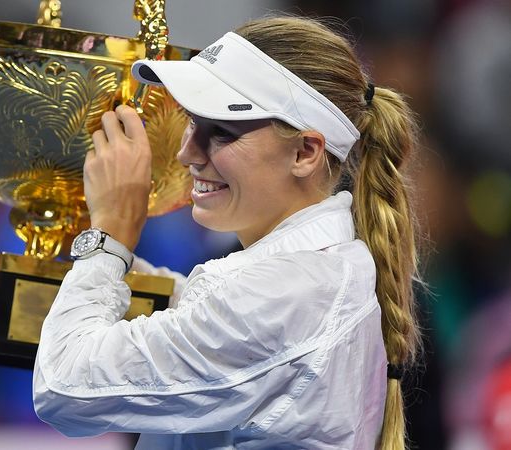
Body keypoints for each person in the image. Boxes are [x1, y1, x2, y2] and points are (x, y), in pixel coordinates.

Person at [32, 16, 422, 450]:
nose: (186, 153)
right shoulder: (313, 276)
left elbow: (62, 387)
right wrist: (98, 256)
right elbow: (199, 315)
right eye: (192, 122)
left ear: (305, 152)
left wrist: (109, 239)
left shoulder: (286, 294)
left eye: (221, 132)